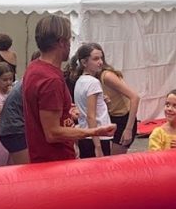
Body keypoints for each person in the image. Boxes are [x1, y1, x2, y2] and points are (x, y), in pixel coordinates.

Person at [23, 15, 115, 163]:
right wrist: (93, 132)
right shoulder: (50, 79)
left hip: (44, 158)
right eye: (70, 39)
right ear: (61, 42)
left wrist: (66, 109)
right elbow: (52, 133)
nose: (71, 45)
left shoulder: (35, 68)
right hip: (55, 160)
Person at [72, 44, 114, 158]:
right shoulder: (93, 83)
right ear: (84, 63)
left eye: (101, 58)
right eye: (95, 59)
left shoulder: (80, 81)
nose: (100, 62)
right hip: (97, 136)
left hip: (85, 134)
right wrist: (98, 147)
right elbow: (91, 116)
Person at [99, 48, 140, 155]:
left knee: (114, 160)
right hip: (112, 118)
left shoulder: (106, 76)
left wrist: (128, 129)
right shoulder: (92, 78)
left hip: (123, 119)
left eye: (99, 58)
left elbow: (135, 97)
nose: (99, 62)